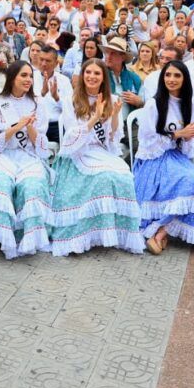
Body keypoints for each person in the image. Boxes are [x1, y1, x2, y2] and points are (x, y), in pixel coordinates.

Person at [47, 58, 145, 256]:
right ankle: (89, 230)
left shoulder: (113, 98)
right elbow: (72, 136)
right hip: (79, 152)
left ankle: (115, 231)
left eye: (97, 73)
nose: (92, 76)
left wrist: (115, 115)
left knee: (124, 174)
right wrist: (94, 117)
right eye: (88, 72)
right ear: (82, 76)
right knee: (103, 177)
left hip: (101, 151)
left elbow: (112, 139)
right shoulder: (70, 100)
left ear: (103, 78)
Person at [0, 61, 52, 258]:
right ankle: (1, 234)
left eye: (30, 76)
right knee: (1, 185)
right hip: (2, 155)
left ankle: (29, 235)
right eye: (23, 75)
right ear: (13, 77)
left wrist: (29, 127)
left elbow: (41, 145)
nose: (28, 80)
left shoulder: (38, 103)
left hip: (27, 157)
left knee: (32, 186)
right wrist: (16, 127)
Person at [134, 60, 194, 253]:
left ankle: (161, 231)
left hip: (175, 157)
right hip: (153, 158)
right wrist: (178, 134)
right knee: (190, 182)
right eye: (168, 75)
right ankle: (158, 232)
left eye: (177, 76)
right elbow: (147, 140)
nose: (171, 79)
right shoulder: (153, 104)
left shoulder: (190, 105)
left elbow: (186, 146)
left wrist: (189, 137)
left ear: (185, 79)